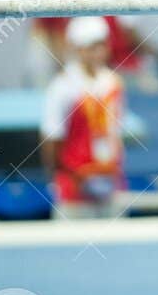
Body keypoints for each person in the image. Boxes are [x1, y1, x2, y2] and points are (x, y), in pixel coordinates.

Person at [40, 16, 125, 215]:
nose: (98, 52)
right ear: (78, 50)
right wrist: (62, 177)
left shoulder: (113, 83)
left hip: (109, 180)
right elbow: (51, 138)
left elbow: (115, 132)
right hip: (75, 185)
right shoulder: (62, 87)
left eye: (102, 46)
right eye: (92, 47)